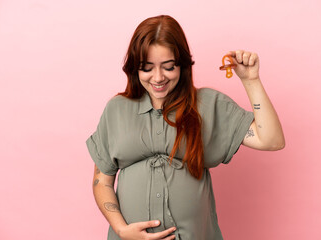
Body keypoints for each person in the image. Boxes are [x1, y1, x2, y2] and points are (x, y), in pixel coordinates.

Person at [86, 15, 285, 240]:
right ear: (135, 68)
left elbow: (272, 140)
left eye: (169, 67)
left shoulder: (208, 105)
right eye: (147, 68)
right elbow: (101, 181)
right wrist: (122, 230)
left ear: (182, 65)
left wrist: (251, 80)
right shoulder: (116, 110)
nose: (158, 77)